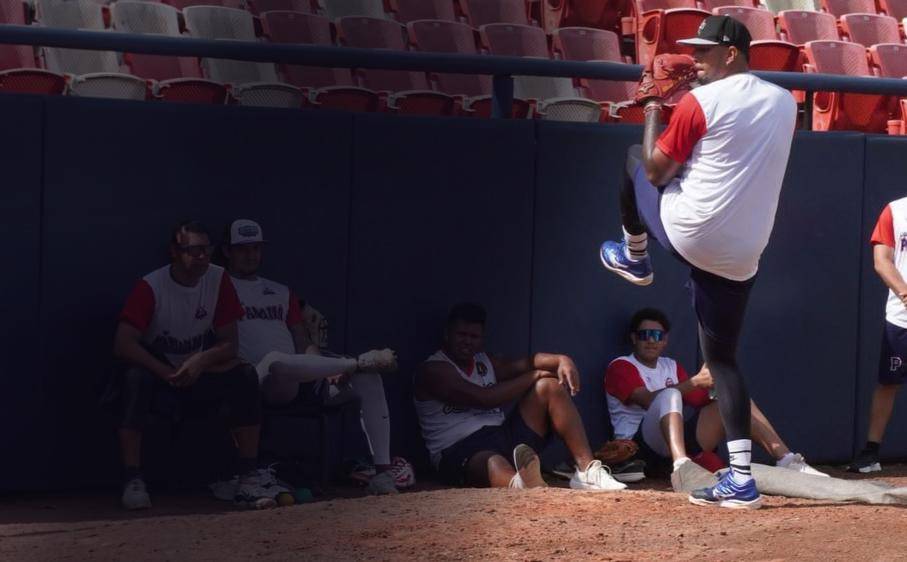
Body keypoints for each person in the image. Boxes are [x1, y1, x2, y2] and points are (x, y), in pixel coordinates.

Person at [598, 16, 797, 509]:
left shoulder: (699, 102)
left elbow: (655, 171)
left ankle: (635, 256)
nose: (696, 58)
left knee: (633, 157)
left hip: (692, 232)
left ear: (732, 53)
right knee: (722, 362)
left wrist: (653, 108)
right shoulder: (785, 101)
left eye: (705, 51)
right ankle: (741, 480)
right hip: (744, 251)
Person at [221, 219, 407, 494]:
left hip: (302, 377)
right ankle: (355, 362)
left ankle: (383, 474)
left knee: (369, 378)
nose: (250, 255)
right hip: (259, 381)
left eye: (256, 248)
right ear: (227, 251)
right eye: (242, 249)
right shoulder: (218, 287)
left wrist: (324, 368)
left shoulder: (280, 291)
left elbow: (302, 340)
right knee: (275, 361)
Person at [113, 220, 275, 510]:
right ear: (175, 252)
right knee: (134, 378)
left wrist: (200, 361)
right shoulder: (151, 286)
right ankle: (132, 479)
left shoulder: (217, 278)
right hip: (159, 374)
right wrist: (165, 372)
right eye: (194, 250)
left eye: (206, 250)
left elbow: (229, 343)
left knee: (245, 375)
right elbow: (123, 343)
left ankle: (248, 477)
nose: (202, 256)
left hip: (196, 374)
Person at [605, 308, 827, 490]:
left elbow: (698, 400)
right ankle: (682, 467)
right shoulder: (621, 365)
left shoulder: (670, 365)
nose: (651, 341)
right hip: (639, 447)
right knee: (670, 394)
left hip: (674, 441)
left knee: (736, 401)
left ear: (665, 341)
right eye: (644, 335)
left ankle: (787, 460)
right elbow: (647, 400)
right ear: (634, 338)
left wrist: (718, 387)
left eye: (657, 336)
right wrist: (695, 381)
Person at [414, 302, 626, 491]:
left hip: (502, 435)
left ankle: (587, 471)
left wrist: (562, 360)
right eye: (461, 335)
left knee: (549, 386)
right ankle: (521, 484)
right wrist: (535, 375)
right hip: (458, 449)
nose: (467, 342)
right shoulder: (433, 370)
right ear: (447, 334)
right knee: (492, 461)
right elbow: (484, 398)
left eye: (474, 336)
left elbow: (526, 362)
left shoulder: (484, 362)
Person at [849, 199, 907, 473]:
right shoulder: (895, 211)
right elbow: (882, 261)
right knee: (888, 383)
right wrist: (905, 293)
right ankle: (871, 454)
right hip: (901, 318)